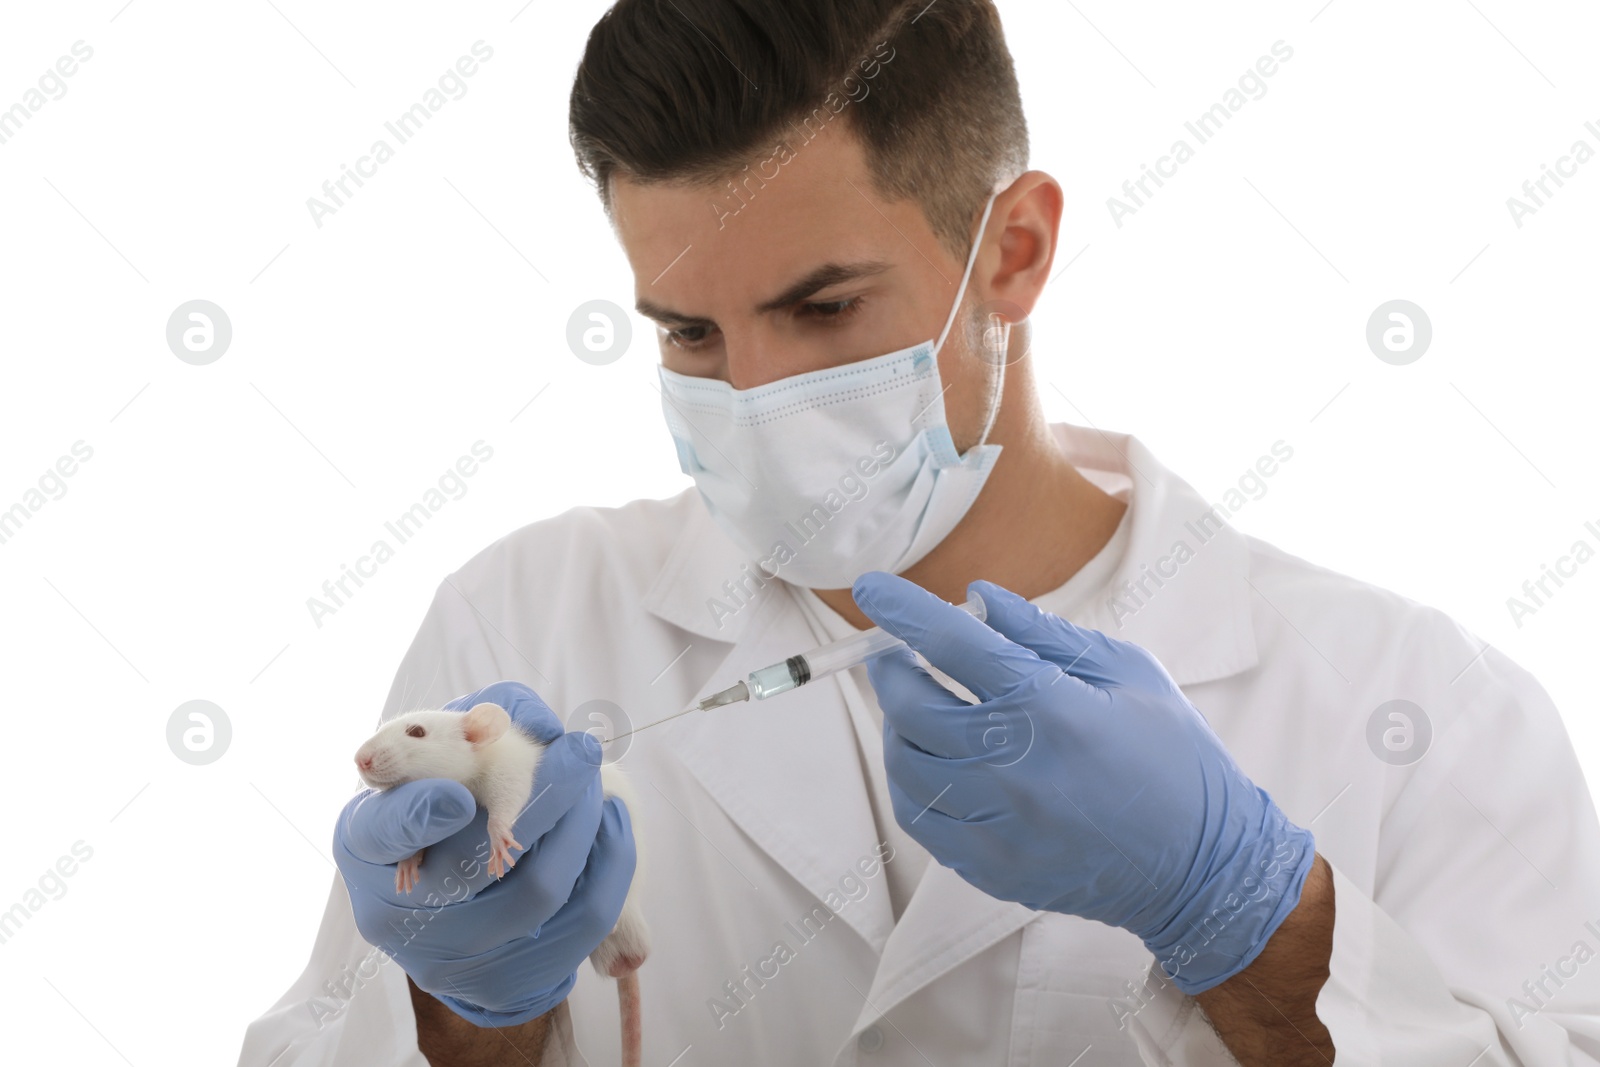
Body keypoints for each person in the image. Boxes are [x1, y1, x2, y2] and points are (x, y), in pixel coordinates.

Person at [239, 1, 1600, 1064]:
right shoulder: (528, 617)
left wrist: (1245, 916)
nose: (756, 398)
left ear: (1011, 252)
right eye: (692, 334)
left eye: (825, 310)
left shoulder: (1415, 705)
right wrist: (464, 1009)